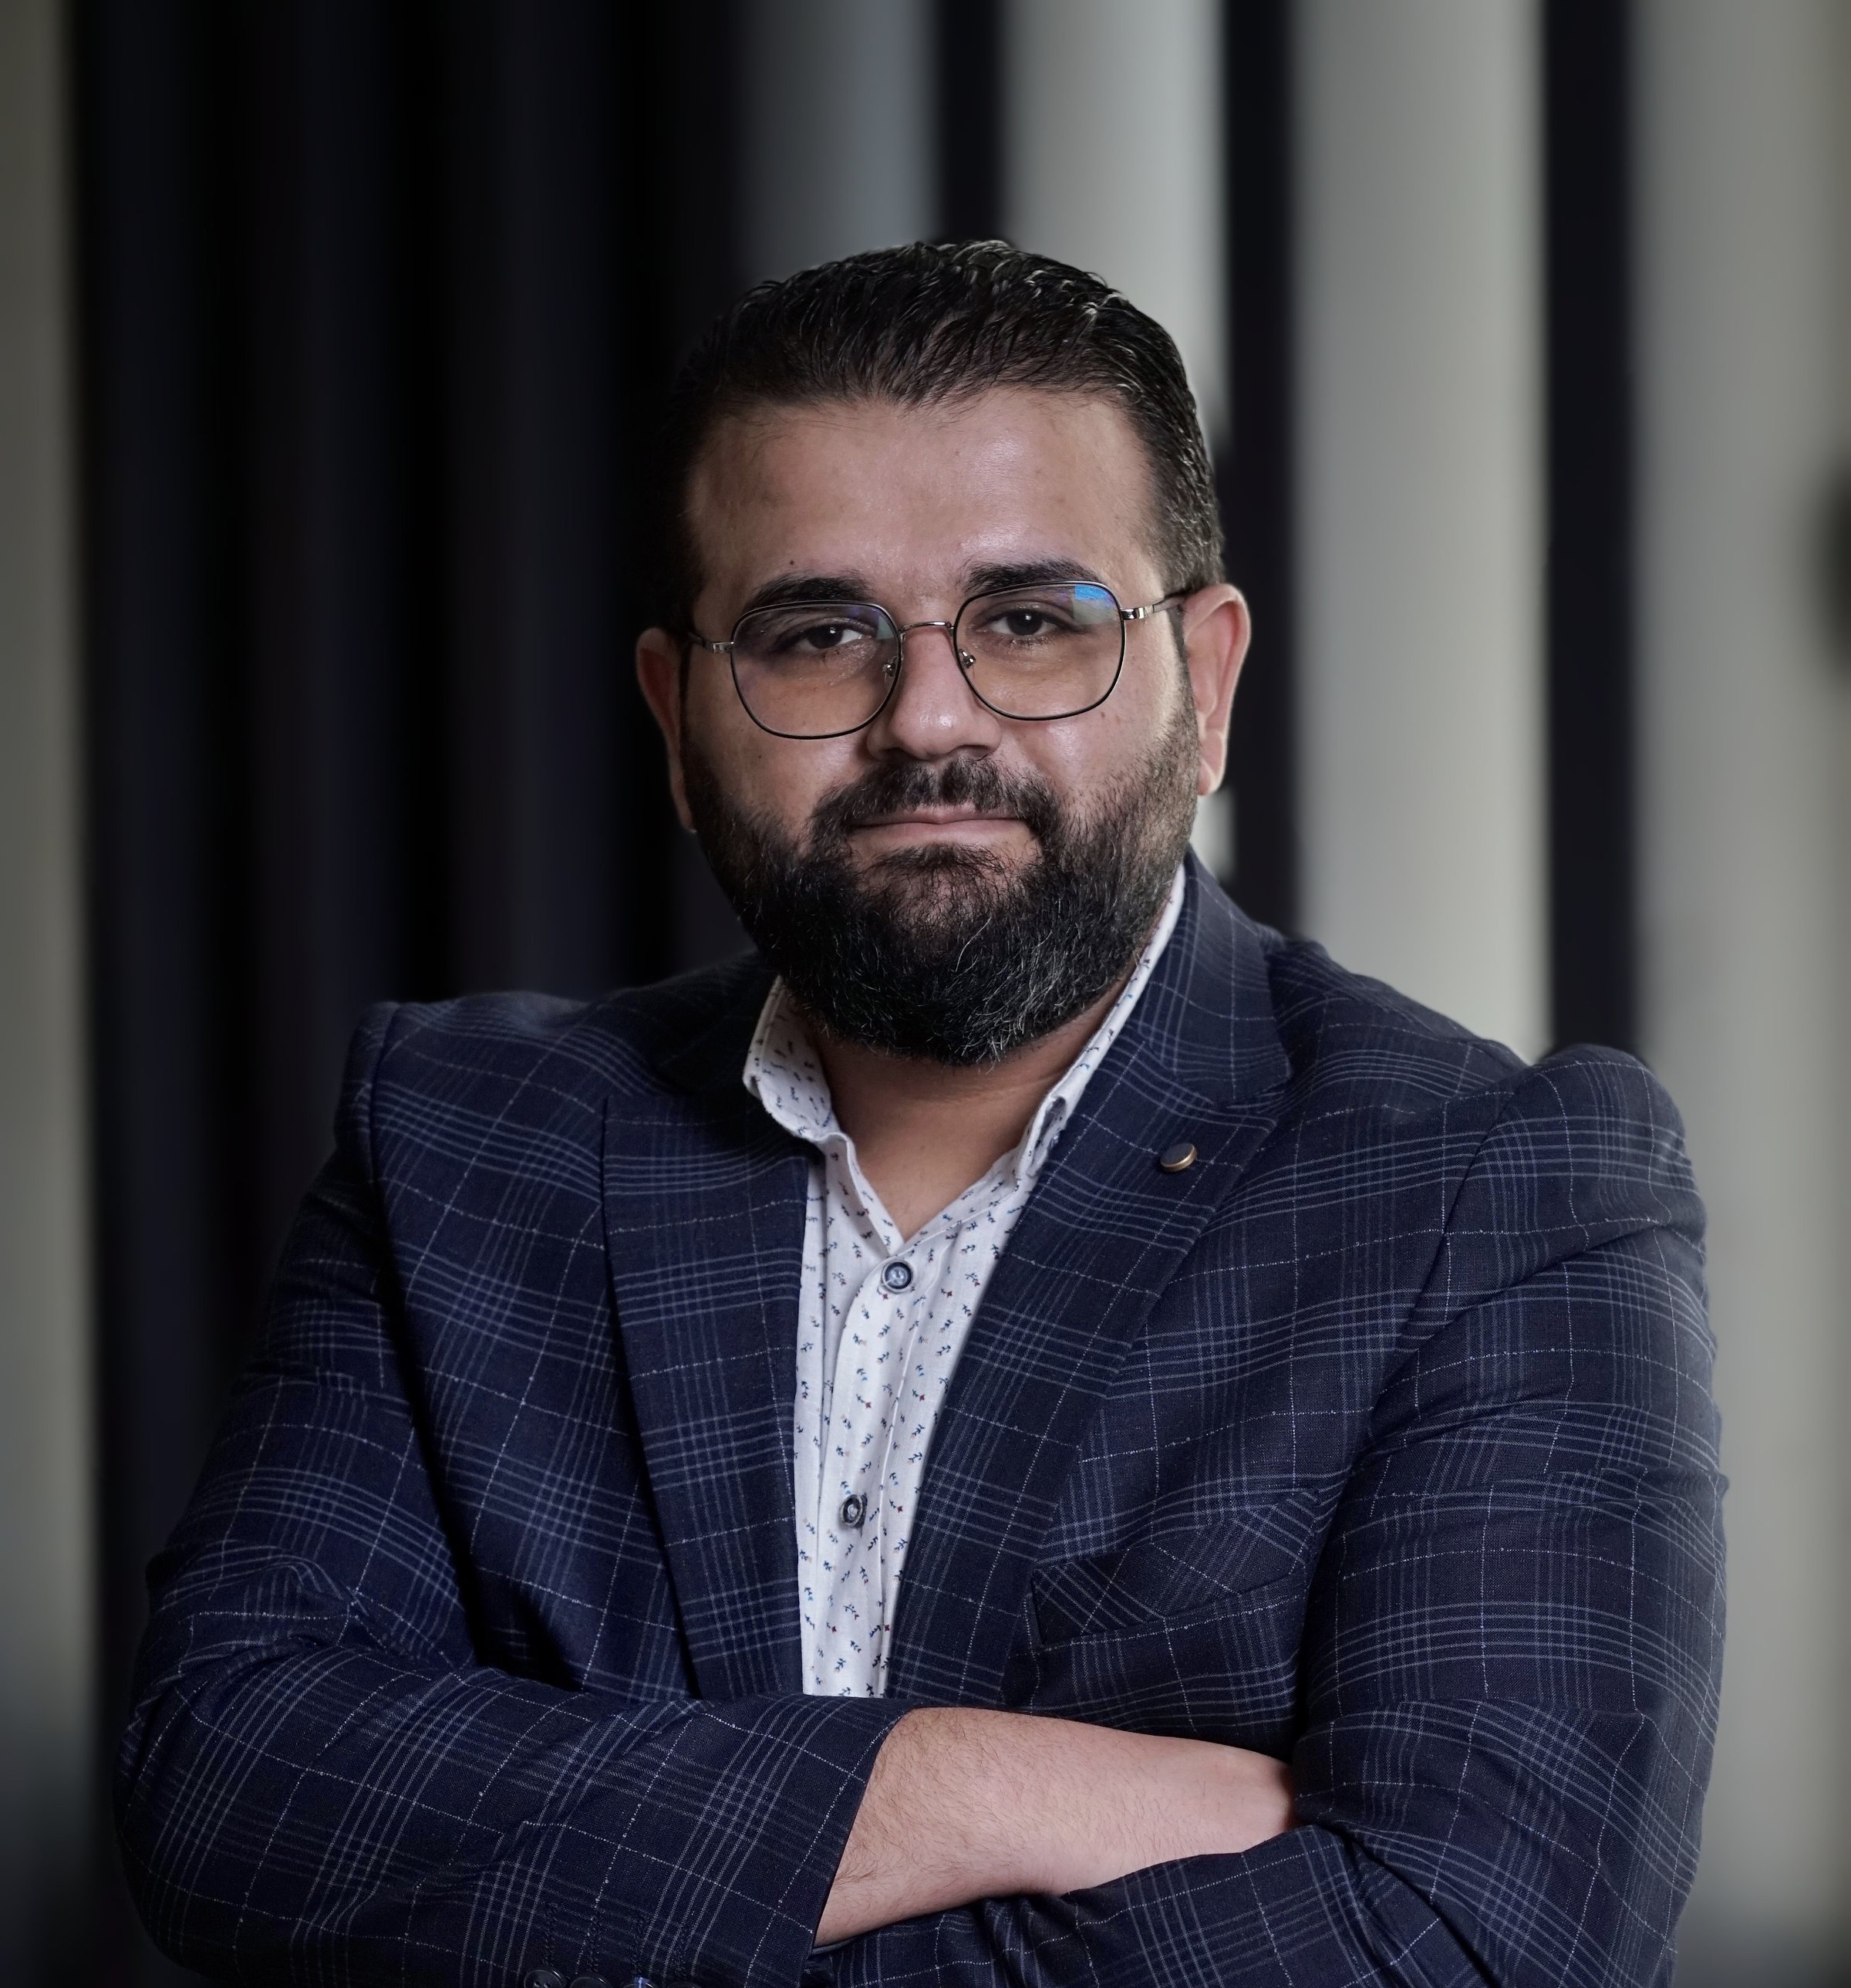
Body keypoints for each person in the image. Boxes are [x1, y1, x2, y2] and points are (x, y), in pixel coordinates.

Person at [116, 241, 1724, 1988]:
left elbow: (1470, 1936)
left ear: (1210, 684)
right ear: (675, 718)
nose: (927, 721)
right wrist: (980, 1783)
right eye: (818, 636)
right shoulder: (455, 1142)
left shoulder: (1495, 1188)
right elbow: (232, 1782)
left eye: (1033, 620)